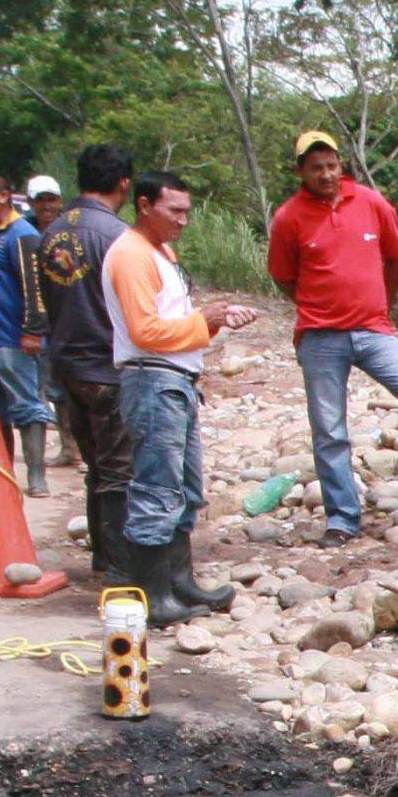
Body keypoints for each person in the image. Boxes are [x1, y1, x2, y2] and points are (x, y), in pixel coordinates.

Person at [266, 130, 398, 538]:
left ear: (342, 165)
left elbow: (395, 256)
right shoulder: (289, 216)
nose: (325, 174)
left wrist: (382, 304)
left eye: (331, 165)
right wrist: (316, 303)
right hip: (320, 336)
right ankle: (342, 518)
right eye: (315, 167)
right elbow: (284, 277)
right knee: (329, 429)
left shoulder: (372, 203)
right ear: (300, 171)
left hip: (374, 329)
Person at [107, 172, 259, 623]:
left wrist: (209, 319)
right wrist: (205, 322)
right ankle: (153, 596)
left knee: (186, 488)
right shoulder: (132, 255)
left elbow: (167, 319)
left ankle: (179, 584)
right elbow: (145, 331)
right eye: (175, 211)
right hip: (153, 378)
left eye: (187, 211)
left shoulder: (159, 252)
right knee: (157, 488)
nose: (184, 221)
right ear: (144, 205)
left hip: (175, 378)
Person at [34, 145, 139, 576]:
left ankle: (102, 552)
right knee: (118, 469)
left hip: (67, 362)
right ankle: (118, 565)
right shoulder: (118, 236)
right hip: (107, 364)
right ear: (124, 184)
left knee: (96, 465)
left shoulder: (53, 231)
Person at [0, 170, 56, 501]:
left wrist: (33, 331)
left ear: (3, 196)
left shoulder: (21, 234)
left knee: (28, 406)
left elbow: (36, 287)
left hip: (15, 339)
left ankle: (36, 475)